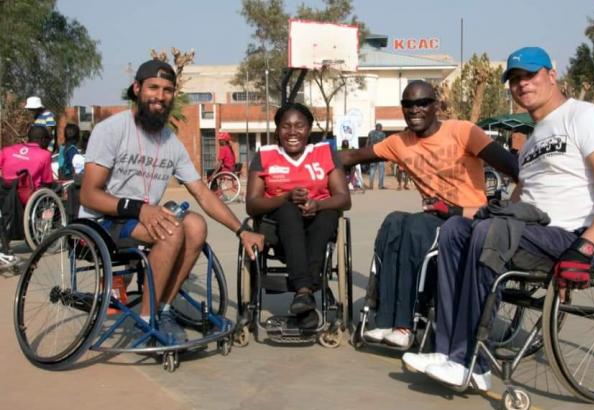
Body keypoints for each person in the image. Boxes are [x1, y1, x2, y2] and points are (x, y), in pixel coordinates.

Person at [402, 47, 594, 392]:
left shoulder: (586, 117)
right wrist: (454, 211)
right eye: (514, 79)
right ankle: (448, 350)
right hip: (527, 230)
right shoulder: (529, 144)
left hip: (574, 236)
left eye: (530, 75)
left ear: (551, 75)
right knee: (454, 231)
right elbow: (514, 205)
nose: (522, 84)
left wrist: (585, 248)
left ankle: (473, 363)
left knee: (490, 232)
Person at [79, 59, 264, 343]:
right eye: (153, 87)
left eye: (167, 89)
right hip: (102, 222)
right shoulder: (112, 130)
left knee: (196, 225)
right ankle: (146, 318)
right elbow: (89, 194)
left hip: (143, 218)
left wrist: (241, 231)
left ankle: (163, 308)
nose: (160, 96)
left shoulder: (171, 142)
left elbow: (202, 192)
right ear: (137, 88)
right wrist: (139, 209)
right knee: (171, 228)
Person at [339, 80, 519, 348]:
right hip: (433, 215)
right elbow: (353, 155)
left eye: (422, 103)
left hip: (467, 217)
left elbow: (513, 167)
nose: (415, 109)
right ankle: (385, 319)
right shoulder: (399, 142)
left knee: (414, 225)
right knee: (393, 221)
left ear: (436, 105)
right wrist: (306, 158)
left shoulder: (463, 131)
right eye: (408, 104)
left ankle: (405, 326)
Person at [245, 102, 351, 328]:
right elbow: (252, 205)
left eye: (299, 126)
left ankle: (303, 296)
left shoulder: (324, 153)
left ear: (309, 128)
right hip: (277, 230)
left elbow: (344, 198)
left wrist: (317, 205)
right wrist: (285, 197)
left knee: (330, 211)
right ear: (277, 131)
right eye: (286, 126)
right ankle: (306, 290)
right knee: (287, 208)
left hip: (317, 225)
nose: (293, 132)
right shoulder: (265, 155)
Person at [0, 125, 54, 203]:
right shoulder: (45, 155)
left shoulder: (7, 150)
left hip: (4, 192)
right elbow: (47, 181)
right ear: (43, 140)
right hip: (26, 197)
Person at [366, 123, 387, 189]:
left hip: (372, 153)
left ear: (375, 127)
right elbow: (384, 144)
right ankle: (380, 186)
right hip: (381, 154)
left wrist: (367, 151)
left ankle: (371, 185)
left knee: (372, 169)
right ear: (380, 128)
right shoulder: (383, 134)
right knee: (381, 171)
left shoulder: (371, 133)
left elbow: (367, 142)